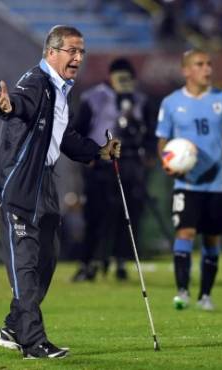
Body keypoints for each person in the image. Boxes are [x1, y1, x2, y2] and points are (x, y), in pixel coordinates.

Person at [0, 25, 121, 359]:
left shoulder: (62, 89)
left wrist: (100, 152)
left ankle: (12, 326)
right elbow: (19, 103)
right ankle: (33, 342)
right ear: (52, 52)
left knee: (47, 259)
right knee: (25, 264)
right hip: (20, 181)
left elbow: (65, 138)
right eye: (72, 51)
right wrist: (7, 106)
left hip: (45, 182)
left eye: (81, 52)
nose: (78, 57)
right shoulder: (36, 82)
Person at [156, 49, 222, 311]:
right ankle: (182, 291)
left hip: (217, 183)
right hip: (187, 183)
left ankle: (205, 296)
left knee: (211, 239)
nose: (207, 69)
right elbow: (162, 140)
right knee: (185, 231)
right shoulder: (171, 103)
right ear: (186, 70)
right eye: (200, 64)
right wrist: (167, 163)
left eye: (209, 64)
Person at [71, 57, 155, 282]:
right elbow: (78, 130)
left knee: (128, 216)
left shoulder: (140, 100)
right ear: (110, 77)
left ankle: (121, 260)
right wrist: (86, 156)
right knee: (95, 216)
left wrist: (148, 154)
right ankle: (88, 263)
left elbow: (149, 135)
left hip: (130, 164)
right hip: (100, 165)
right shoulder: (93, 97)